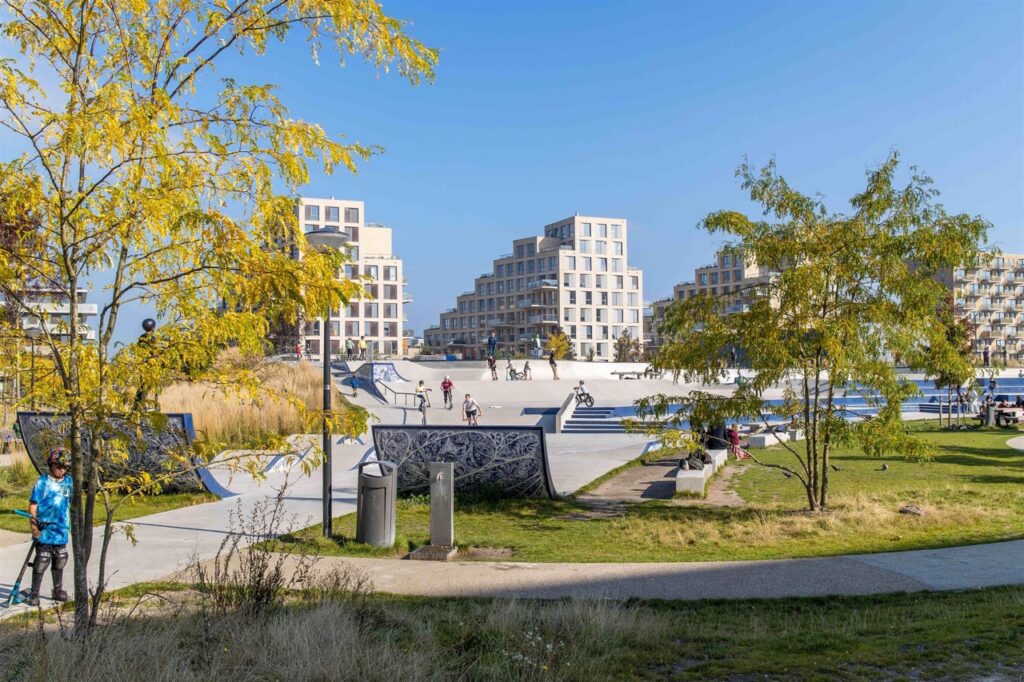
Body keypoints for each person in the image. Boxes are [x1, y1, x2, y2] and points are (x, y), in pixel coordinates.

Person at [27, 448, 72, 605]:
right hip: (44, 529)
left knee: (60, 558)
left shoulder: (69, 481)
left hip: (60, 529)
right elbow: (33, 506)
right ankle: (34, 593)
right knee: (42, 559)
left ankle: (57, 590)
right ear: (51, 465)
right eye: (59, 466)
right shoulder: (42, 482)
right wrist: (34, 527)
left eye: (65, 467)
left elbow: (70, 502)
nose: (62, 470)